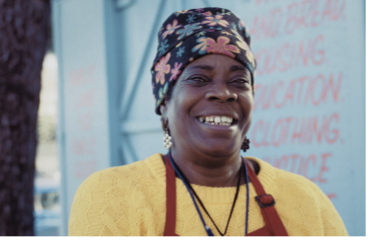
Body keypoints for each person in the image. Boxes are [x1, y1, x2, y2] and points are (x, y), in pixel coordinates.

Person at [68, 8, 348, 237]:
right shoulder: (113, 196)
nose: (224, 93)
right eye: (199, 79)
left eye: (239, 81)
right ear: (164, 104)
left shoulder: (307, 201)